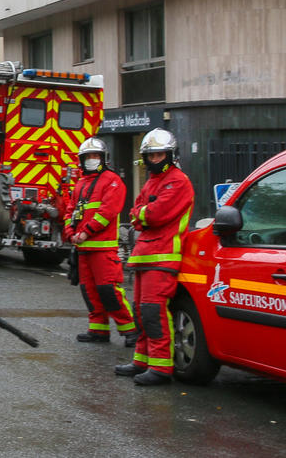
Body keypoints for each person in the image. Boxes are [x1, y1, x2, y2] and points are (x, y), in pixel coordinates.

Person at [114, 128, 194, 386]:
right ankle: (141, 360)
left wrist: (142, 214)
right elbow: (135, 211)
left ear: (170, 155)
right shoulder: (152, 181)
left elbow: (155, 214)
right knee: (140, 311)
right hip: (145, 255)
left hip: (163, 256)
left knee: (153, 311)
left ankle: (161, 367)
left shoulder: (178, 181)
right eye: (151, 155)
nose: (154, 160)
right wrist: (142, 214)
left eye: (159, 155)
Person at [66, 138, 137, 346]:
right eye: (88, 157)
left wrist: (86, 232)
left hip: (103, 247)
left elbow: (107, 211)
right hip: (83, 247)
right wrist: (70, 231)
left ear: (104, 158)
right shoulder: (80, 184)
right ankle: (98, 329)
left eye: (95, 156)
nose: (92, 160)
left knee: (109, 291)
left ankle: (130, 330)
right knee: (89, 291)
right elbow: (71, 211)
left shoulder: (112, 181)